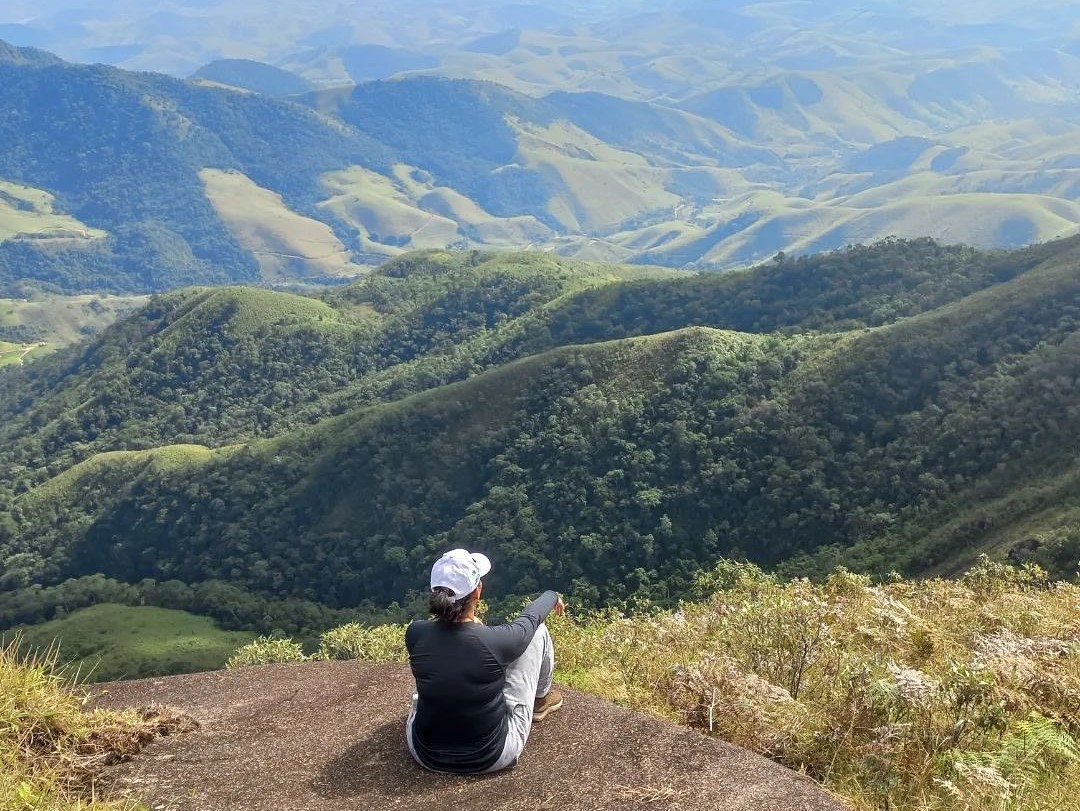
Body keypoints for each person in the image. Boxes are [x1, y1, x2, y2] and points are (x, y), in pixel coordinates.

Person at [405, 548, 565, 774]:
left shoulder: (416, 633)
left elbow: (455, 649)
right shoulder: (495, 641)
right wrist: (552, 595)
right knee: (538, 631)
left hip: (424, 754)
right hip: (491, 756)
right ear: (477, 591)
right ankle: (541, 701)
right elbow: (531, 617)